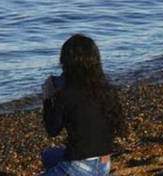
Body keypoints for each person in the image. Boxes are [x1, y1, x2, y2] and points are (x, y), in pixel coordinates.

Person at [39, 34, 126, 176]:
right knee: (47, 156)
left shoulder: (66, 94)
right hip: (104, 163)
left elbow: (52, 130)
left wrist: (48, 98)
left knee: (53, 159)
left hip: (79, 166)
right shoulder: (107, 90)